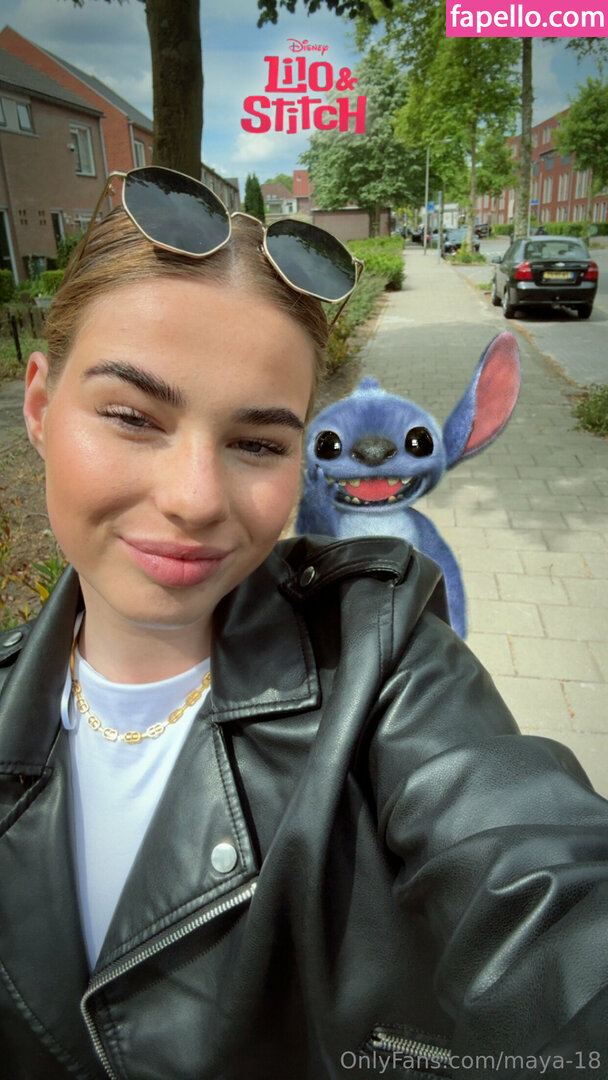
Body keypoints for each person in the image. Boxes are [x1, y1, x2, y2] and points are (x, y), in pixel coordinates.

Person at [0, 167, 607, 1080]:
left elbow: (541, 886)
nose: (196, 499)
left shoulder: (381, 660)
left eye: (257, 443)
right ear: (41, 408)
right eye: (132, 417)